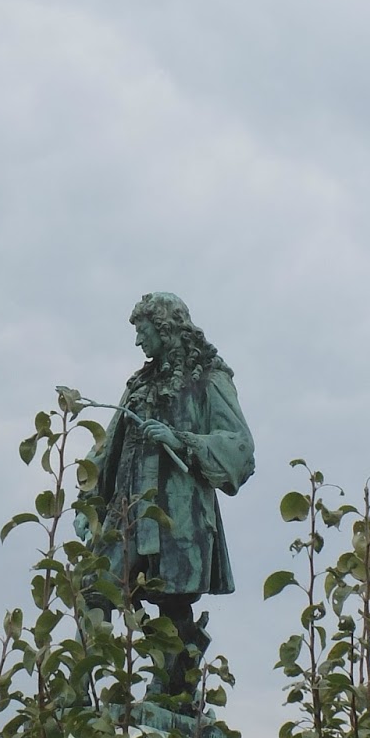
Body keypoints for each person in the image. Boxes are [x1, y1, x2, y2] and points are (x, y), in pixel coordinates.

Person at [76, 292, 255, 696]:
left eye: (143, 330)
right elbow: (107, 446)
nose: (138, 340)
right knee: (95, 585)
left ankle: (172, 692)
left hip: (179, 516)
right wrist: (88, 504)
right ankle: (76, 691)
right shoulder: (139, 384)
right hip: (127, 510)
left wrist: (180, 439)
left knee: (171, 603)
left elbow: (240, 446)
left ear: (165, 328)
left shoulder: (209, 379)